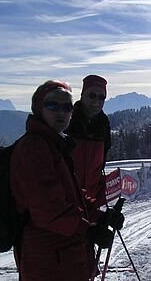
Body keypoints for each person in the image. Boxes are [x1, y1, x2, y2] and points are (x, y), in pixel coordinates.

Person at [10, 80, 115, 281]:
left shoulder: (55, 145)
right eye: (52, 105)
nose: (61, 112)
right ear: (39, 107)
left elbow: (72, 197)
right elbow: (49, 210)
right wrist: (89, 230)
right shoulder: (34, 149)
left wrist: (100, 217)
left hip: (66, 257)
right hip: (48, 260)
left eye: (66, 107)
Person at [66, 75, 111, 210]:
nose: (97, 101)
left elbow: (100, 164)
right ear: (82, 95)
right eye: (92, 95)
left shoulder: (103, 124)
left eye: (101, 97)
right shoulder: (67, 119)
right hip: (66, 201)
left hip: (90, 202)